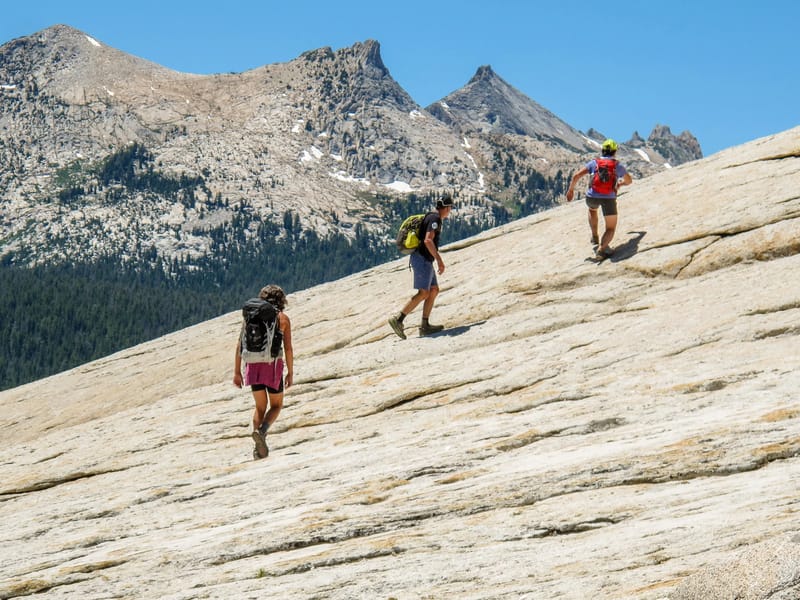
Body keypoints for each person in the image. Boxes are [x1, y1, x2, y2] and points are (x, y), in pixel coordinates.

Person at [233, 284, 294, 459]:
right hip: (272, 366)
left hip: (252, 365)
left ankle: (257, 446)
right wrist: (290, 372)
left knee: (260, 407)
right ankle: (262, 431)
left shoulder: (251, 317)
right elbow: (288, 348)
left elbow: (240, 345)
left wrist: (237, 372)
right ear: (281, 300)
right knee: (276, 405)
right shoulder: (283, 318)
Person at [388, 195, 454, 339]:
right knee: (424, 292)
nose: (450, 211)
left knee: (434, 290)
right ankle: (398, 319)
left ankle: (425, 325)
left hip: (424, 259)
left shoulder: (432, 217)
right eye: (450, 208)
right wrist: (439, 260)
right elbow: (428, 240)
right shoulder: (435, 220)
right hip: (422, 259)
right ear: (447, 207)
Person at [566, 138, 633, 258]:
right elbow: (629, 180)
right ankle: (602, 249)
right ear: (614, 152)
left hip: (592, 197)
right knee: (610, 228)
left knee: (592, 210)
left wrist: (571, 190)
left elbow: (576, 176)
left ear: (602, 151)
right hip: (609, 199)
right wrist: (620, 184)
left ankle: (595, 236)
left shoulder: (594, 163)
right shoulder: (617, 166)